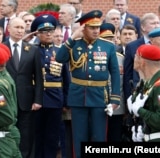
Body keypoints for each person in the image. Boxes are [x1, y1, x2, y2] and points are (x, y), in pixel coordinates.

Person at [56, 10, 120, 158]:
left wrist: (115, 98)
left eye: (98, 27)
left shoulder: (108, 46)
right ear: (83, 28)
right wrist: (72, 38)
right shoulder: (74, 44)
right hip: (79, 96)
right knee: (79, 136)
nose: (96, 31)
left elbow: (115, 73)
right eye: (92, 27)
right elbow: (60, 58)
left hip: (100, 97)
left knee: (99, 136)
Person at [30, 14, 70, 158]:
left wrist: (66, 100)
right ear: (38, 34)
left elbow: (66, 78)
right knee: (36, 135)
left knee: (52, 136)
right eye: (44, 31)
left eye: (50, 31)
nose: (48, 34)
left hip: (55, 98)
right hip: (36, 99)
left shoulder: (60, 52)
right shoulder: (32, 51)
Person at [3, 17, 43, 158]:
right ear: (9, 28)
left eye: (22, 28)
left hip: (26, 101)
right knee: (6, 134)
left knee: (25, 135)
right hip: (5, 100)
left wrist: (38, 100)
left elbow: (39, 77)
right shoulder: (1, 48)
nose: (20, 31)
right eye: (17, 27)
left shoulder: (32, 50)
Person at [128, 44, 160, 142]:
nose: (134, 58)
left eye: (136, 56)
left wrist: (140, 111)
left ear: (142, 62)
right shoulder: (149, 84)